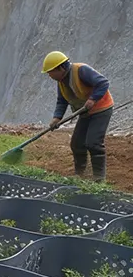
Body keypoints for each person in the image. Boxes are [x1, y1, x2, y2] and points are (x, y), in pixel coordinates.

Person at [42, 50, 114, 182]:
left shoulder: (81, 70)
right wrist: (57, 117)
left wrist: (93, 99)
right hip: (85, 112)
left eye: (50, 72)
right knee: (77, 144)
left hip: (101, 109)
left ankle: (99, 178)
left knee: (93, 143)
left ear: (60, 67)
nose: (49, 75)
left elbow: (103, 83)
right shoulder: (61, 81)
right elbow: (62, 100)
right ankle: (80, 174)